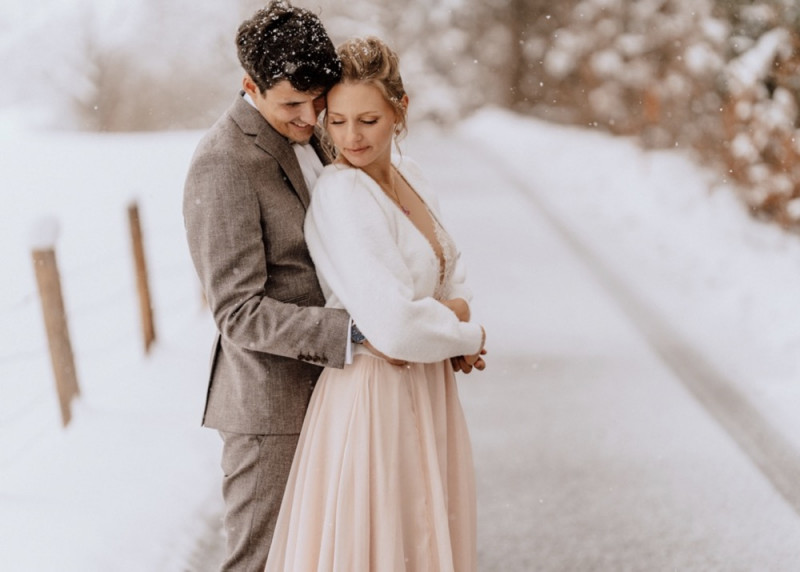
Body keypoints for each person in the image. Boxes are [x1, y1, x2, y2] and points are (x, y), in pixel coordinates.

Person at [264, 36, 487, 572]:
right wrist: (466, 335)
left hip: (426, 384)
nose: (350, 137)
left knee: (424, 540)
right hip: (375, 394)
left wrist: (447, 319)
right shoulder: (343, 195)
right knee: (384, 544)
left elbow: (450, 272)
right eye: (335, 121)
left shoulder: (412, 176)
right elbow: (394, 326)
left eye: (367, 120)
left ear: (399, 111)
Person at [182, 3, 353, 570]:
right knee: (259, 563)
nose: (310, 117)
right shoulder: (223, 162)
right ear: (249, 85)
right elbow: (238, 311)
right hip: (269, 410)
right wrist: (351, 332)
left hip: (336, 392)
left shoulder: (314, 134)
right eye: (292, 105)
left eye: (318, 99)